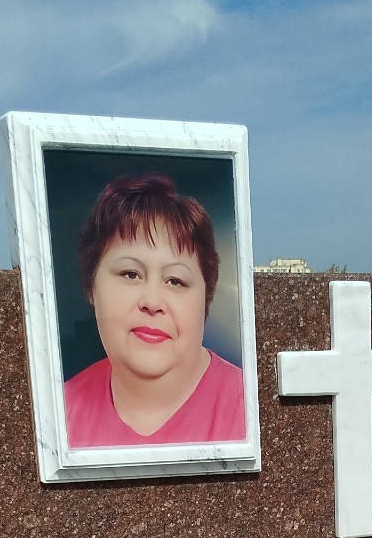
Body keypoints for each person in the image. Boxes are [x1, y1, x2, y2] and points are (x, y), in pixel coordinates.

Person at [63, 170, 245, 449]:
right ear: (91, 287)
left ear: (206, 299)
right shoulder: (59, 412)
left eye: (175, 280)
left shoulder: (251, 408)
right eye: (130, 274)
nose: (152, 302)